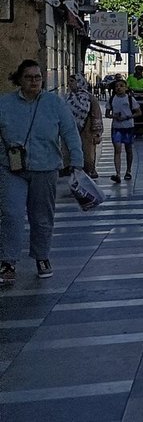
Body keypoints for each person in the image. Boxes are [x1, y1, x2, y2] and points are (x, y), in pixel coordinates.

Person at [0, 60, 84, 283]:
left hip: (45, 167)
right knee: (11, 213)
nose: (34, 81)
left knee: (42, 217)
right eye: (29, 77)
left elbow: (70, 132)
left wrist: (77, 160)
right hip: (12, 168)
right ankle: (8, 260)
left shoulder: (54, 103)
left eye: (38, 77)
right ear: (19, 80)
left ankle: (42, 256)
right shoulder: (5, 104)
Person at [64, 73, 103, 178]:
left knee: (88, 155)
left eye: (72, 81)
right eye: (69, 82)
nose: (69, 84)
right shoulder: (68, 97)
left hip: (87, 131)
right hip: (71, 131)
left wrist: (97, 133)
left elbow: (97, 115)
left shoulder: (89, 98)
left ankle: (90, 171)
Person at [107, 78, 140, 183]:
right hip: (116, 128)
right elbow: (107, 114)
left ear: (126, 88)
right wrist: (113, 116)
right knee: (117, 150)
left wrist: (127, 116)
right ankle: (117, 173)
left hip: (128, 127)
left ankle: (128, 171)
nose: (118, 88)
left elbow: (139, 112)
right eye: (117, 86)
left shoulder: (130, 99)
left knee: (128, 149)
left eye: (121, 86)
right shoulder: (112, 99)